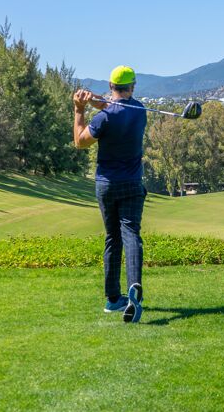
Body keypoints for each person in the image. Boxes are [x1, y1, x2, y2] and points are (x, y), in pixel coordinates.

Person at [73, 65, 147, 323]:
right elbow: (111, 105)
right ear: (133, 86)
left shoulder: (102, 118)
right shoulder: (140, 110)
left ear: (111, 85)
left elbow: (80, 142)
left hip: (106, 184)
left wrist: (79, 109)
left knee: (112, 238)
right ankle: (134, 285)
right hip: (132, 184)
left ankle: (113, 299)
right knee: (131, 234)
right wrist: (92, 99)